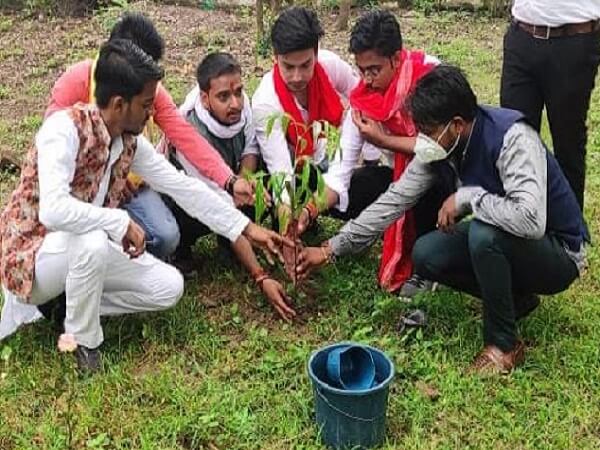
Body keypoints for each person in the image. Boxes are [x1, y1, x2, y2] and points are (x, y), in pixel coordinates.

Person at [0, 40, 289, 372]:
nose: (153, 113)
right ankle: (85, 342)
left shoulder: (127, 142)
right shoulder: (63, 130)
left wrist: (248, 228)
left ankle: (63, 307)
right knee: (93, 240)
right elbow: (53, 210)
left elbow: (185, 188)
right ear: (121, 104)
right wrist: (117, 222)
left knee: (169, 287)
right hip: (31, 261)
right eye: (146, 104)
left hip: (80, 255)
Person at [297, 66, 588, 374]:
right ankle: (515, 300)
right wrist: (331, 248)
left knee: (484, 235)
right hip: (515, 241)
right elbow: (394, 201)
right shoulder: (442, 147)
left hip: (558, 253)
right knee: (427, 254)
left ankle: (503, 346)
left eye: (429, 131)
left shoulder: (513, 139)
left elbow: (531, 220)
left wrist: (468, 198)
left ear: (457, 125)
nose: (423, 140)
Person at [45, 12, 255, 259]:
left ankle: (126, 263)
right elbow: (51, 159)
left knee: (165, 237)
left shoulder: (140, 128)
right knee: (87, 242)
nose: (150, 105)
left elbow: (185, 138)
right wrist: (109, 178)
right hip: (76, 189)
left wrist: (229, 181)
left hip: (133, 185)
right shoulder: (73, 87)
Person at [296, 9, 442, 296]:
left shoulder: (431, 78)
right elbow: (340, 174)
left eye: (374, 70)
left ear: (396, 59)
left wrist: (384, 141)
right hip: (399, 178)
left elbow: (441, 149)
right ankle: (373, 234)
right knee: (360, 188)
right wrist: (309, 210)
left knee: (427, 181)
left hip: (444, 175)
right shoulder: (363, 102)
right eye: (361, 70)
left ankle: (429, 258)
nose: (366, 79)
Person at [170, 52, 295, 322]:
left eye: (238, 92)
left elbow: (250, 146)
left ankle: (236, 243)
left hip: (229, 186)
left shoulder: (244, 106)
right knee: (189, 214)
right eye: (224, 97)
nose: (236, 103)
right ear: (205, 98)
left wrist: (245, 178)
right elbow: (217, 206)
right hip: (199, 200)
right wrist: (260, 276)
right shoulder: (190, 134)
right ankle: (181, 249)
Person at [252, 6, 358, 206]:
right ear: (275, 57)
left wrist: (367, 154)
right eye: (288, 67)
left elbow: (362, 97)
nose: (297, 77)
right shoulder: (265, 101)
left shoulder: (331, 66)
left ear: (316, 54)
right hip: (290, 164)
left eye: (305, 65)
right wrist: (286, 212)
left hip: (327, 156)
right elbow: (280, 169)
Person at [500, 0, 600, 210]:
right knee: (514, 137)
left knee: (568, 143)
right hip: (522, 34)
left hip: (574, 39)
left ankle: (569, 237)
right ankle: (518, 226)